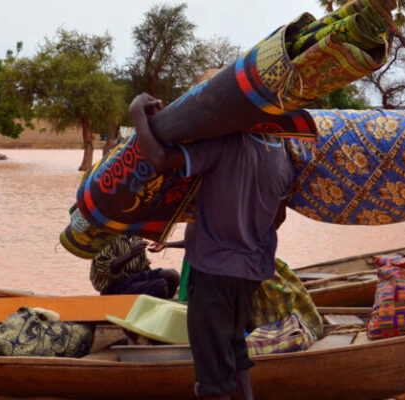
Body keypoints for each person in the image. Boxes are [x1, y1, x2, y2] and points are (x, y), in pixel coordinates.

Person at [130, 93, 293, 400]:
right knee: (234, 345)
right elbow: (278, 217)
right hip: (251, 273)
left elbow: (161, 159)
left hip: (213, 272)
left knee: (212, 375)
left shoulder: (225, 144)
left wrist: (137, 114)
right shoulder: (281, 155)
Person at [90, 234, 179, 299]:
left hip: (133, 278)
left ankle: (165, 304)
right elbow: (107, 268)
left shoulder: (136, 235)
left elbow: (143, 266)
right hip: (114, 286)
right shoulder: (105, 235)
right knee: (160, 287)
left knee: (172, 275)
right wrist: (130, 254)